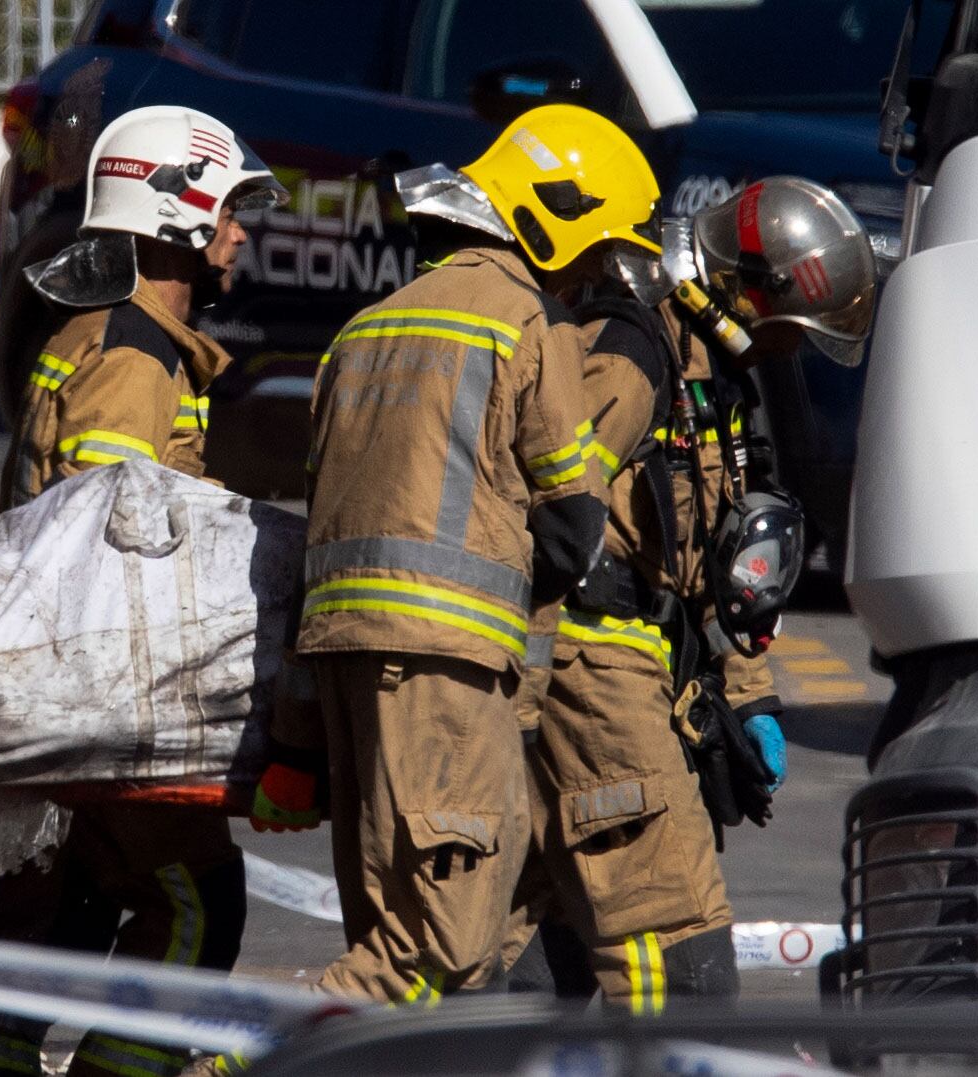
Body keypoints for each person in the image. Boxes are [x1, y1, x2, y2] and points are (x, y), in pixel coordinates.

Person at [286, 104, 659, 1008]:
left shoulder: (366, 326)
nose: (589, 276)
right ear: (555, 218)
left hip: (341, 663)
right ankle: (232, 1058)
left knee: (391, 939)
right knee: (437, 948)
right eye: (594, 248)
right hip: (445, 671)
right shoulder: (525, 321)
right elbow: (571, 521)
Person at [0, 105, 285, 1077]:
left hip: (64, 687)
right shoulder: (136, 358)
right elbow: (106, 538)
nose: (239, 235)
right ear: (176, 219)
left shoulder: (109, 335)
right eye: (227, 214)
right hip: (107, 695)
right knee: (193, 904)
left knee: (57, 917)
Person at [499, 176, 878, 1011]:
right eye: (785, 331)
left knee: (551, 934)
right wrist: (515, 704)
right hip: (591, 665)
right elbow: (543, 524)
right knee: (679, 945)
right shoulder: (635, 351)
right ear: (750, 290)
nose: (784, 352)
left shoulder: (708, 370)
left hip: (637, 663)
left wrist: (746, 695)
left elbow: (706, 551)